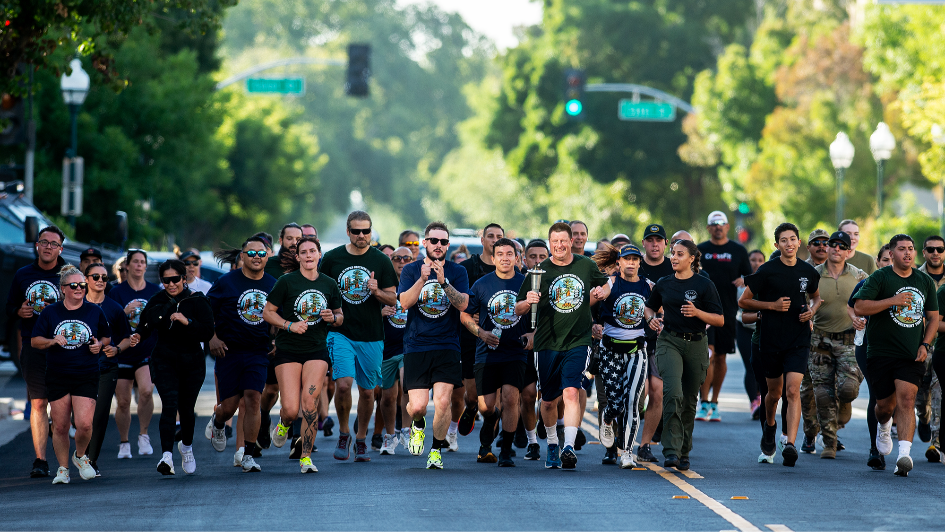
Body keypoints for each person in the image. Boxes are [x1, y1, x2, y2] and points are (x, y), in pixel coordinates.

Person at [515, 222, 609, 470]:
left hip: (578, 340)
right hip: (547, 342)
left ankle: (568, 447)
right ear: (549, 244)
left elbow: (606, 284)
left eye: (563, 241)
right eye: (554, 241)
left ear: (571, 242)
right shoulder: (538, 272)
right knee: (547, 402)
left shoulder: (585, 265)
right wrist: (528, 301)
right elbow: (517, 308)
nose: (559, 245)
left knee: (570, 392)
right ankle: (553, 444)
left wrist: (601, 292)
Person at [853, 234, 939, 476]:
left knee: (907, 399)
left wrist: (925, 344)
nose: (908, 253)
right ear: (891, 254)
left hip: (910, 353)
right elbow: (860, 306)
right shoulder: (880, 277)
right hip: (880, 352)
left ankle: (904, 455)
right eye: (902, 249)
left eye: (911, 249)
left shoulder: (923, 281)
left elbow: (933, 317)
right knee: (884, 407)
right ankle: (883, 425)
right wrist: (893, 301)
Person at [740, 223, 822, 467]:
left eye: (793, 239)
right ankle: (770, 426)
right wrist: (771, 306)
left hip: (798, 339)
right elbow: (744, 302)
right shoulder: (766, 271)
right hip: (771, 340)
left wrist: (812, 310)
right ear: (777, 245)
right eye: (783, 240)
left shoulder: (809, 272)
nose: (789, 244)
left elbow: (816, 297)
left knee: (793, 390)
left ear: (799, 243)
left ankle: (790, 444)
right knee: (773, 394)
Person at [319, 211, 397, 462]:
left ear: (371, 231)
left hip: (372, 334)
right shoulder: (332, 259)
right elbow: (320, 291)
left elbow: (393, 298)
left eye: (366, 231)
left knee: (367, 392)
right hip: (340, 332)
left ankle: (360, 438)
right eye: (356, 231)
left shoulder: (381, 261)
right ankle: (344, 434)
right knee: (343, 385)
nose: (362, 235)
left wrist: (376, 292)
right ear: (348, 231)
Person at [263, 237, 343, 474]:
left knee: (310, 404)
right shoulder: (286, 282)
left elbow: (340, 317)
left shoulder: (329, 284)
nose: (309, 255)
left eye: (313, 251)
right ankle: (284, 424)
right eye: (304, 252)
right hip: (288, 350)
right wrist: (289, 325)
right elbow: (268, 312)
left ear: (319, 255)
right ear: (297, 257)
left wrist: (332, 318)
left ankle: (305, 456)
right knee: (290, 409)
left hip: (316, 350)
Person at [644, 239, 723, 470]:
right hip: (669, 341)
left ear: (692, 259)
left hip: (697, 344)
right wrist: (651, 319)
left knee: (689, 400)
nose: (674, 258)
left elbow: (719, 319)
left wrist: (698, 312)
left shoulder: (704, 284)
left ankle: (684, 450)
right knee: (673, 393)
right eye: (673, 253)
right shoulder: (664, 283)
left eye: (680, 254)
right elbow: (650, 306)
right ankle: (670, 450)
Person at [31, 264, 111, 484]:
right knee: (61, 425)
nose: (79, 289)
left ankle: (80, 456)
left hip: (86, 372)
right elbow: (35, 341)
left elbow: (106, 337)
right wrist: (52, 340)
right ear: (63, 289)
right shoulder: (50, 312)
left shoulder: (95, 311)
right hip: (58, 373)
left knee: (84, 425)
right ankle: (63, 468)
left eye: (82, 285)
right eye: (74, 285)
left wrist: (99, 345)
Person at [399, 222, 470, 469]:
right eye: (434, 241)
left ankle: (436, 450)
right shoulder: (410, 270)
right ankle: (418, 424)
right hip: (417, 345)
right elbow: (405, 303)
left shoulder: (457, 271)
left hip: (447, 345)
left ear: (447, 245)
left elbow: (462, 305)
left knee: (442, 402)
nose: (438, 245)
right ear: (425, 242)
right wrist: (422, 279)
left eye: (443, 242)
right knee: (417, 406)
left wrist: (443, 283)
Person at [133, 260, 214, 476]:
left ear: (184, 279)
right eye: (166, 280)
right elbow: (145, 325)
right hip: (164, 359)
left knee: (186, 409)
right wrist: (138, 336)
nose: (171, 284)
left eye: (175, 279)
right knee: (169, 405)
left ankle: (186, 447)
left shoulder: (197, 300)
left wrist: (187, 321)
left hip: (192, 361)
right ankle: (166, 457)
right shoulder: (157, 300)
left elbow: (207, 332)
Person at [204, 236, 276, 473]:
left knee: (253, 398)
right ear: (242, 257)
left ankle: (248, 454)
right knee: (229, 407)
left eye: (262, 254)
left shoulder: (273, 284)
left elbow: (279, 317)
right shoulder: (225, 282)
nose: (257, 258)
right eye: (252, 254)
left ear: (267, 257)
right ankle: (217, 421)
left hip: (257, 351)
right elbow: (205, 314)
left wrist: (276, 339)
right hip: (229, 351)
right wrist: (211, 338)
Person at [460, 238, 529, 467]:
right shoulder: (481, 284)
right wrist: (480, 333)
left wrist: (533, 336)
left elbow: (540, 316)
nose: (505, 258)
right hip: (487, 352)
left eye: (510, 254)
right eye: (501, 254)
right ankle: (493, 417)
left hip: (515, 351)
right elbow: (465, 315)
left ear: (516, 258)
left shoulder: (526, 284)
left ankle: (506, 449)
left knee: (511, 396)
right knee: (485, 406)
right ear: (493, 258)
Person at [5, 225, 65, 478]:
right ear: (37, 246)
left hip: (64, 348)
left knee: (62, 407)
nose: (48, 247)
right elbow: (8, 308)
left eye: (53, 243)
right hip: (33, 345)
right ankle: (40, 460)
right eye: (44, 242)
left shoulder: (69, 274)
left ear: (60, 248)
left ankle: (73, 455)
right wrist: (20, 311)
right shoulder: (23, 274)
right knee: (38, 402)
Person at [801, 231, 867, 459]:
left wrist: (863, 319)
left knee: (847, 389)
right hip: (819, 339)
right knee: (822, 393)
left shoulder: (860, 276)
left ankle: (845, 405)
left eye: (842, 246)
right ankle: (829, 443)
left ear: (849, 252)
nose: (836, 249)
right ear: (828, 249)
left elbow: (871, 302)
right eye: (833, 245)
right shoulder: (813, 275)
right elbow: (801, 303)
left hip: (849, 340)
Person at [593, 243, 653, 469]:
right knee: (616, 403)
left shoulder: (648, 286)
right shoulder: (612, 282)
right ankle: (608, 419)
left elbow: (660, 304)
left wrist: (656, 318)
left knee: (632, 403)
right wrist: (599, 294)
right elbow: (603, 292)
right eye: (626, 259)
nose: (630, 263)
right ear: (618, 263)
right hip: (610, 350)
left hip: (637, 350)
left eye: (634, 259)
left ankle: (627, 451)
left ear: (640, 263)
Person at [697, 211, 751, 423]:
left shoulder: (737, 250)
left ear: (728, 226)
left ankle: (715, 402)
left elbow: (749, 276)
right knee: (707, 356)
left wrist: (744, 279)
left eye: (721, 223)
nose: (718, 227)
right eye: (714, 224)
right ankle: (703, 402)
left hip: (727, 311)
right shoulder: (701, 250)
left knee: (720, 357)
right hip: (703, 311)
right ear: (708, 227)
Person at [454, 223, 505, 446]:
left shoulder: (510, 269)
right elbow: (455, 301)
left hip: (501, 339)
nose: (494, 240)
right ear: (482, 239)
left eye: (499, 237)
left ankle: (487, 444)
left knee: (496, 397)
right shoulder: (466, 268)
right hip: (470, 338)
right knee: (474, 395)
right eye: (490, 236)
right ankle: (471, 408)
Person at [107, 249, 159, 460]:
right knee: (123, 402)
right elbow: (107, 323)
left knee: (146, 392)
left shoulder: (155, 291)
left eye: (142, 262)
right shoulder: (116, 293)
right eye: (135, 262)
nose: (138, 265)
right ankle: (124, 442)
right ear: (127, 266)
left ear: (146, 267)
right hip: (122, 352)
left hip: (147, 350)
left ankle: (144, 435)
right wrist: (124, 313)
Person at [85, 263, 132, 476]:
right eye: (96, 277)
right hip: (78, 369)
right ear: (86, 279)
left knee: (100, 414)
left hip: (106, 368)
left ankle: (90, 460)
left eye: (104, 278)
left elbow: (126, 337)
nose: (101, 281)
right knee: (81, 418)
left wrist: (116, 348)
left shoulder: (114, 308)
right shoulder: (74, 305)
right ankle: (77, 455)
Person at [849, 244, 892, 470]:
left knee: (897, 398)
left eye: (892, 260)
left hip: (899, 349)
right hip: (868, 347)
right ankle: (875, 450)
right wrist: (855, 319)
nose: (889, 264)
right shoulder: (867, 284)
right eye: (885, 260)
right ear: (878, 262)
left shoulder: (910, 286)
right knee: (877, 393)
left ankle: (900, 446)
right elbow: (852, 307)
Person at [636, 224, 673, 462]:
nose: (655, 244)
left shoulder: (674, 267)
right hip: (632, 337)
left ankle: (645, 445)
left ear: (666, 244)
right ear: (644, 244)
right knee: (636, 394)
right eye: (650, 240)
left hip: (662, 339)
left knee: (657, 393)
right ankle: (623, 436)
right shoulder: (633, 265)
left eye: (659, 240)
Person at [379, 246, 414, 454]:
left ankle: (407, 430)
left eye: (406, 258)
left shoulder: (418, 284)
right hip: (386, 348)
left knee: (407, 385)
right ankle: (390, 436)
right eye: (397, 258)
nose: (402, 261)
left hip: (409, 346)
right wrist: (379, 313)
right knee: (388, 395)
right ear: (391, 261)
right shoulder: (385, 286)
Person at [916, 235, 945, 456]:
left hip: (941, 345)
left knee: (938, 391)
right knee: (920, 390)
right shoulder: (915, 276)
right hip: (918, 341)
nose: (936, 253)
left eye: (940, 249)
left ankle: (936, 442)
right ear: (923, 252)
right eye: (931, 249)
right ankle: (922, 417)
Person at [735, 250, 766, 422]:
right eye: (752, 260)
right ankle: (754, 402)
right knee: (750, 364)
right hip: (743, 326)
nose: (756, 263)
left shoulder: (768, 279)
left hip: (764, 328)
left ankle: (763, 397)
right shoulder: (741, 281)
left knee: (764, 364)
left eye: (760, 260)